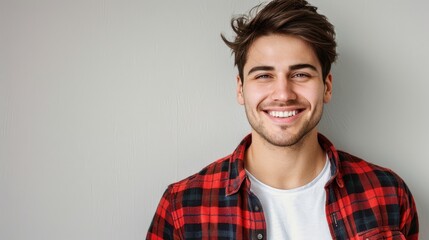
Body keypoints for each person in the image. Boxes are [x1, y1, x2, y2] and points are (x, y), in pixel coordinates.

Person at [146, 0, 419, 239]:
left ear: (327, 86)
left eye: (300, 74)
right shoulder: (182, 208)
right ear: (240, 89)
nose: (283, 94)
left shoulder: (388, 193)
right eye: (264, 75)